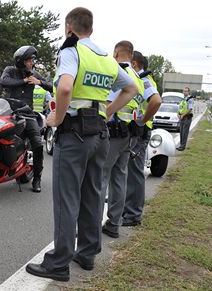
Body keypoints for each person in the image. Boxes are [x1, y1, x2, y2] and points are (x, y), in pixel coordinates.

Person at [25, 7, 138, 282]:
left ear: (69, 28)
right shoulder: (105, 58)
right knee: (92, 194)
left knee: (67, 197)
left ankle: (59, 262)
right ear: (91, 29)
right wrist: (108, 111)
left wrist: (56, 118)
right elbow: (132, 89)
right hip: (101, 134)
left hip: (74, 134)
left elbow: (64, 88)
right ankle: (87, 254)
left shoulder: (71, 51)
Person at [101, 41, 160, 239]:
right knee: (119, 178)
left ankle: (90, 226)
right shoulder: (140, 76)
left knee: (100, 178)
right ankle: (114, 224)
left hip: (112, 131)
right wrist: (142, 121)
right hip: (129, 135)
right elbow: (155, 100)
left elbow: (108, 102)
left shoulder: (117, 72)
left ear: (117, 53)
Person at [0, 46, 53, 192]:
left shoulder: (35, 74)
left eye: (32, 60)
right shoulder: (10, 70)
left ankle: (37, 179)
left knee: (38, 144)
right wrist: (24, 80)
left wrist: (40, 82)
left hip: (27, 114)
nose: (32, 63)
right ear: (21, 61)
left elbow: (53, 87)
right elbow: (4, 82)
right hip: (8, 112)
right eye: (29, 60)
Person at [121, 51, 161, 227]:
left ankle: (133, 215)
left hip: (141, 132)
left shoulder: (143, 80)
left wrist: (141, 121)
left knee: (135, 174)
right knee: (130, 173)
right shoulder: (144, 79)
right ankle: (129, 211)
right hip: (139, 131)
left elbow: (156, 101)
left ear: (135, 64)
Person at [176, 87, 194, 151]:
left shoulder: (190, 99)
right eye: (184, 91)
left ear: (189, 92)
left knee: (184, 133)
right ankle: (181, 145)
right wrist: (178, 114)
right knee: (181, 132)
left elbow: (190, 109)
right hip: (182, 117)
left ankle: (182, 146)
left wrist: (183, 115)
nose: (185, 92)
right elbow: (181, 107)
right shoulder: (183, 99)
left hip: (187, 117)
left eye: (186, 91)